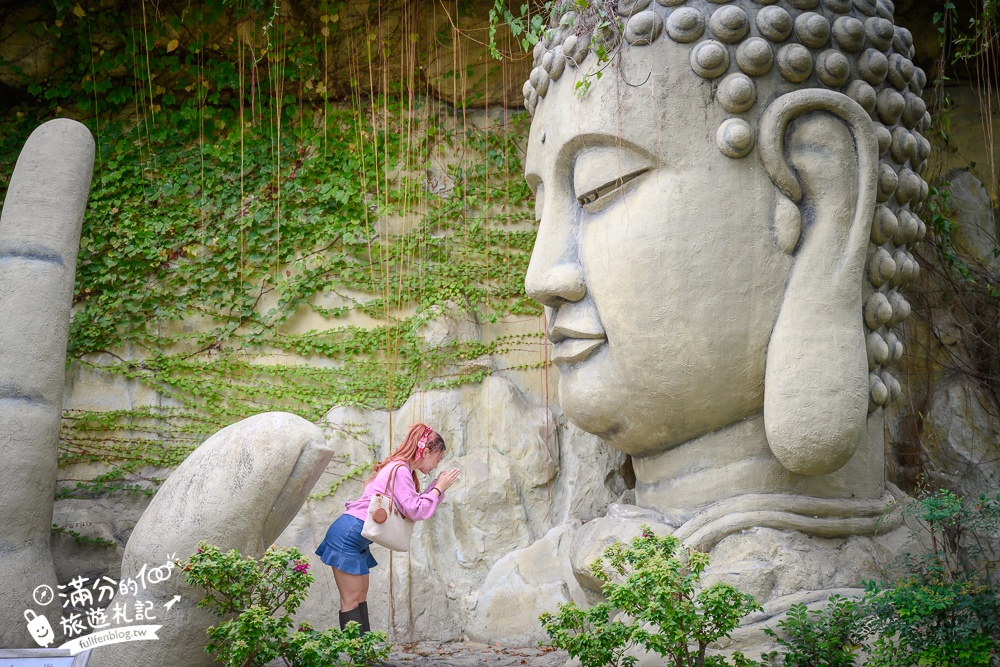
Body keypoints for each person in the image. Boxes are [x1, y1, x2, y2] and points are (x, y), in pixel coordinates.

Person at [520, 0, 928, 523]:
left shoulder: (924, 600)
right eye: (539, 212)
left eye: (597, 188)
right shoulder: (534, 594)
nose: (541, 277)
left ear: (820, 199)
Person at [315, 422, 460, 633]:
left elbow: (413, 504)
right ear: (426, 451)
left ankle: (366, 656)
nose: (437, 465)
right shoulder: (400, 469)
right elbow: (415, 510)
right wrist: (438, 489)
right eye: (438, 458)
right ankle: (361, 660)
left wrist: (435, 488)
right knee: (351, 600)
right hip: (347, 537)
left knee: (359, 597)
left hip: (356, 537)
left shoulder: (402, 468)